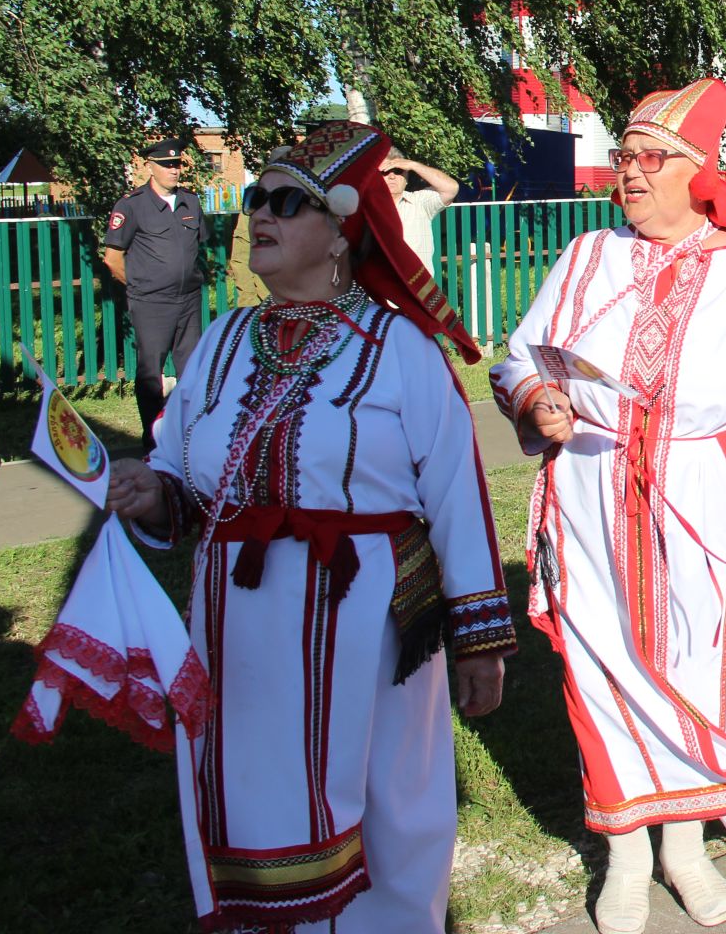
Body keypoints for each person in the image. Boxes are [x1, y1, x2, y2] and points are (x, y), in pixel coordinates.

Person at [102, 121, 516, 931]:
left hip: (367, 626)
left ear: (340, 232)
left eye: (287, 202)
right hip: (237, 627)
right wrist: (152, 492)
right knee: (249, 792)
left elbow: (458, 497)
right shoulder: (221, 343)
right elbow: (188, 478)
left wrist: (482, 638)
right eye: (257, 198)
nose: (262, 212)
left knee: (388, 806)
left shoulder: (400, 350)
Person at [491, 78, 726, 933]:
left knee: (694, 668)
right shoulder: (587, 259)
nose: (630, 175)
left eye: (652, 159)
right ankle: (626, 853)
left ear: (699, 170)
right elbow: (516, 355)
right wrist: (538, 398)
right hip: (590, 493)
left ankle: (683, 847)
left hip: (701, 501)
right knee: (604, 666)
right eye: (624, 158)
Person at [104, 136, 208, 451]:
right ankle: (152, 440)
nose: (173, 171)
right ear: (150, 166)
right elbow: (112, 258)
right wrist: (140, 287)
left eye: (177, 165)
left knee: (192, 371)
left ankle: (187, 435)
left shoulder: (191, 201)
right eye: (166, 165)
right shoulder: (132, 205)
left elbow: (198, 247)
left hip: (189, 300)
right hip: (152, 303)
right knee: (151, 372)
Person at [382, 147, 461, 276]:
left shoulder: (419, 202)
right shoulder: (365, 206)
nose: (392, 176)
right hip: (380, 290)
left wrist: (414, 165)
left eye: (398, 171)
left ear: (407, 177)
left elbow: (451, 188)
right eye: (385, 172)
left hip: (419, 289)